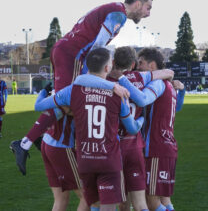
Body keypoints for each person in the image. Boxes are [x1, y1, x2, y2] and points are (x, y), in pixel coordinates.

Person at [10, 0, 154, 175]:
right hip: (74, 55)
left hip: (65, 51)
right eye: (148, 8)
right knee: (69, 102)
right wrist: (91, 77)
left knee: (68, 101)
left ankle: (37, 137)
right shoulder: (118, 15)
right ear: (137, 3)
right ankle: (25, 143)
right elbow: (97, 47)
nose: (148, 13)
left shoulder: (113, 8)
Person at [34, 48, 144, 211]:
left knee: (93, 205)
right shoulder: (117, 94)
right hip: (108, 160)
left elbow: (39, 106)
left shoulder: (72, 90)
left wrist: (43, 91)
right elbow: (132, 129)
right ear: (108, 67)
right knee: (108, 207)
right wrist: (142, 119)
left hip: (85, 159)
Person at [116, 48, 185, 211]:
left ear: (152, 65)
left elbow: (142, 99)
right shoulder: (168, 85)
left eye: (141, 63)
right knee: (163, 200)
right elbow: (178, 107)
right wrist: (182, 91)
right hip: (165, 144)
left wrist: (121, 80)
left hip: (155, 146)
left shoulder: (157, 83)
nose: (138, 67)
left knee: (151, 201)